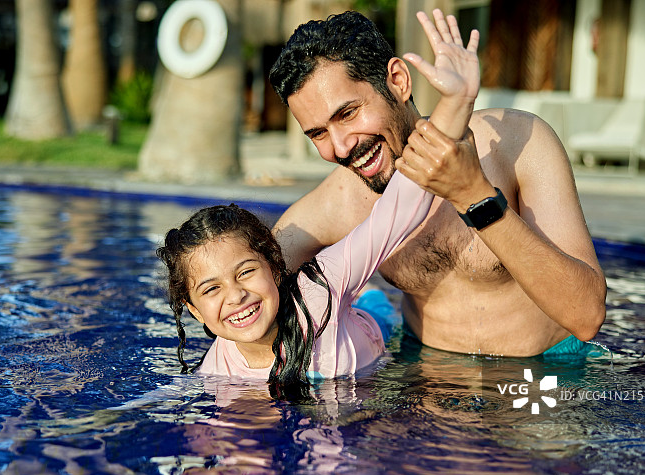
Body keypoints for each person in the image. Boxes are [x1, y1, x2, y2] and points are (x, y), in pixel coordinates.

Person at [155, 13, 480, 398]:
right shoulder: (217, 367)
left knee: (375, 308)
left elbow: (402, 203)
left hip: (372, 327)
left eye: (246, 272)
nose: (235, 295)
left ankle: (368, 300)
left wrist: (456, 102)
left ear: (275, 266)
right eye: (211, 290)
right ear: (194, 311)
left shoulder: (320, 288)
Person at [270, 9, 607, 358]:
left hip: (549, 369)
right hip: (424, 369)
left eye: (348, 113)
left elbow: (586, 316)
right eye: (318, 133)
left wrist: (474, 195)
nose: (340, 147)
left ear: (398, 81)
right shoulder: (339, 201)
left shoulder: (517, 142)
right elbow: (251, 282)